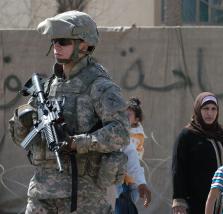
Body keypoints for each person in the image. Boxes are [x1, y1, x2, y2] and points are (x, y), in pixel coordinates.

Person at [8, 10, 129, 213]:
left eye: (63, 41)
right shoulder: (47, 87)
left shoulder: (99, 86)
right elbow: (21, 138)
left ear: (84, 44)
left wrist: (79, 142)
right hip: (41, 192)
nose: (56, 46)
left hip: (82, 195)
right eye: (54, 41)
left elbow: (121, 132)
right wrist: (23, 119)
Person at [172, 92, 223, 214]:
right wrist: (179, 199)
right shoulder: (187, 135)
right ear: (198, 110)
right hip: (195, 201)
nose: (210, 113)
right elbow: (178, 168)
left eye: (213, 109)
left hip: (222, 202)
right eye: (205, 109)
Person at [115, 97, 151, 212]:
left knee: (129, 206)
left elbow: (132, 156)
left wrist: (140, 182)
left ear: (136, 120)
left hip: (131, 179)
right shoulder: (119, 129)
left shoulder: (136, 136)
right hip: (119, 179)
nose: (124, 117)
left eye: (128, 115)